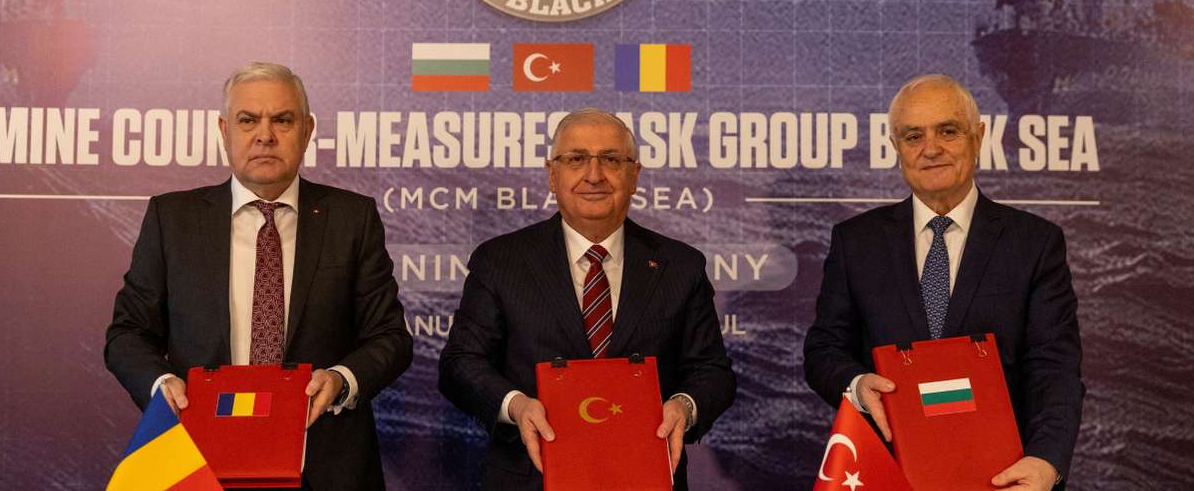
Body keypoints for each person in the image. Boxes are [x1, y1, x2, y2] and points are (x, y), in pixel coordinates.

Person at [105, 62, 412, 490]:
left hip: (325, 463)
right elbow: (127, 334)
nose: (265, 134)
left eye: (282, 120)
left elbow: (390, 338)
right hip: (199, 460)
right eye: (248, 120)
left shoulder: (351, 218)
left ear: (306, 131)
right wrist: (161, 385)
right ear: (224, 129)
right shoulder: (171, 218)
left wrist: (343, 378)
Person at [803, 74, 1084, 490]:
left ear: (978, 136)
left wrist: (1045, 463)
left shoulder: (1035, 243)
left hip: (1006, 478)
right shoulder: (855, 242)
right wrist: (858, 385)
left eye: (948, 131)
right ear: (896, 148)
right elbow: (823, 349)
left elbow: (1055, 369)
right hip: (888, 474)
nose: (930, 149)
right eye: (913, 136)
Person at [438, 108, 735, 490]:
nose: (594, 175)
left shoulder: (681, 266)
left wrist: (684, 406)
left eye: (611, 159)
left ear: (634, 175)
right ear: (551, 174)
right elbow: (461, 364)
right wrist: (516, 405)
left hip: (648, 476)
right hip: (531, 476)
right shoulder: (500, 261)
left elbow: (712, 372)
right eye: (576, 159)